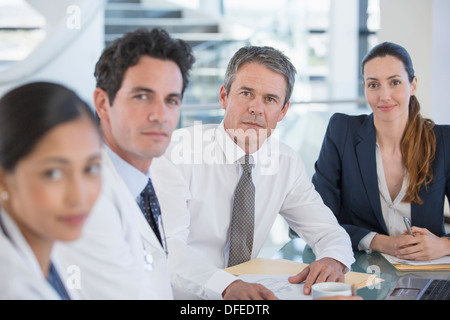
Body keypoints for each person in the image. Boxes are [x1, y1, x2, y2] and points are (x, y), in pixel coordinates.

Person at [151, 45, 355, 300]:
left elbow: (327, 230)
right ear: (224, 96)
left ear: (283, 111)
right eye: (246, 93)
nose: (256, 108)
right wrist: (225, 286)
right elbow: (167, 247)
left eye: (270, 99)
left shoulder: (285, 162)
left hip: (248, 297)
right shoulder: (175, 154)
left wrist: (332, 259)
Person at [55, 27, 195, 299]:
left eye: (171, 100)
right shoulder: (86, 201)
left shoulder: (145, 177)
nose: (161, 115)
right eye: (142, 96)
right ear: (103, 103)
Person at [312, 42, 450, 261]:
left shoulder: (444, 141)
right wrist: (380, 242)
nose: (384, 95)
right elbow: (315, 218)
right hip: (359, 269)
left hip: (427, 270)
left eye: (395, 82)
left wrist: (444, 245)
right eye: (373, 84)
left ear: (413, 85)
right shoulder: (342, 131)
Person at [0, 82, 102, 299]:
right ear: (3, 178)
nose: (79, 197)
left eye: (90, 169)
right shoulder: (12, 288)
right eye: (53, 173)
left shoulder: (41, 251)